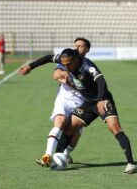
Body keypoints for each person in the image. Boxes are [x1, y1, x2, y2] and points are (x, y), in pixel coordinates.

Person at [21, 48, 137, 174]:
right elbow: (48, 58)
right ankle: (56, 157)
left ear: (75, 60)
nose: (66, 67)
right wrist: (30, 66)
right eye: (64, 64)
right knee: (69, 128)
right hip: (88, 103)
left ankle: (131, 163)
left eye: (68, 64)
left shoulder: (87, 65)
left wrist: (100, 100)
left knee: (115, 128)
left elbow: (101, 81)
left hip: (102, 99)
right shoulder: (64, 60)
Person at [19, 38, 91, 166]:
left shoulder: (88, 66)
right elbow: (55, 71)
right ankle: (47, 155)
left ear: (87, 49)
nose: (77, 48)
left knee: (75, 134)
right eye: (75, 45)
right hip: (64, 98)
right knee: (60, 121)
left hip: (82, 102)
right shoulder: (66, 58)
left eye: (80, 46)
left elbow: (89, 87)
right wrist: (31, 66)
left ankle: (65, 155)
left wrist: (72, 81)